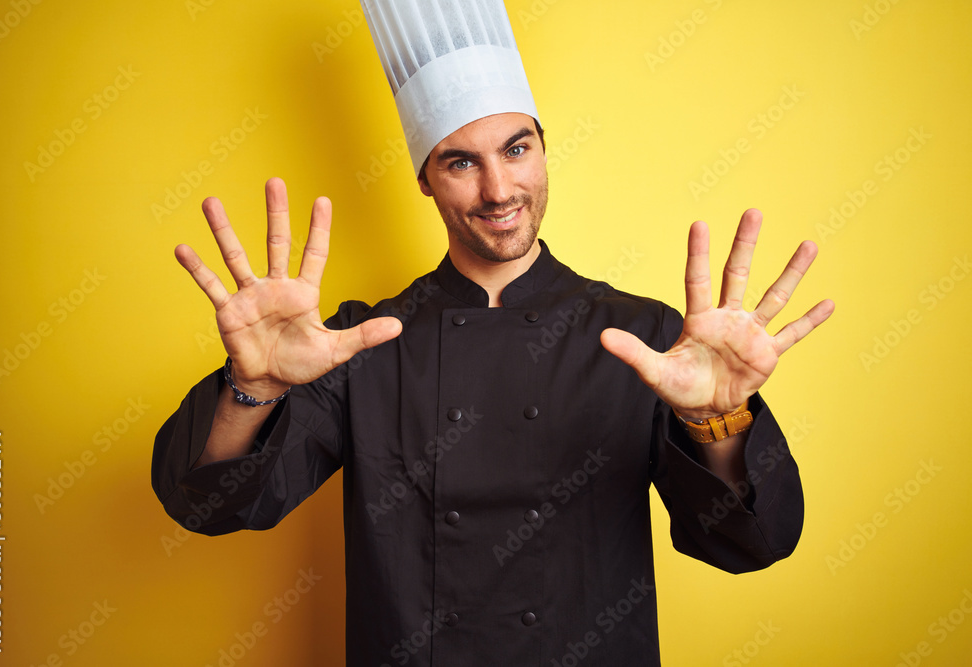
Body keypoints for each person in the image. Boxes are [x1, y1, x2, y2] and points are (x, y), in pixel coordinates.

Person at [152, 2, 834, 665]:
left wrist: (720, 419)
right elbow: (210, 506)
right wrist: (255, 386)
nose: (499, 189)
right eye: (461, 162)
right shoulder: (361, 343)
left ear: (542, 149)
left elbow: (755, 540)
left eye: (516, 148)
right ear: (425, 177)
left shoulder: (647, 337)